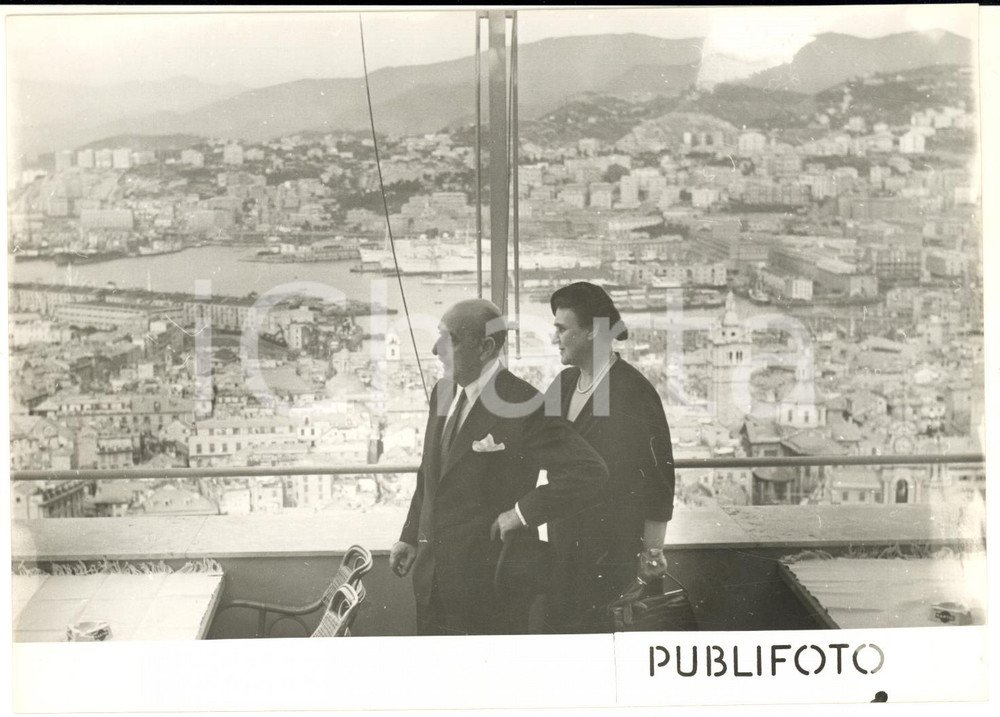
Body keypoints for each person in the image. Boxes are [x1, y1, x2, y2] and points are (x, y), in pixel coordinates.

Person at [389, 298, 608, 636]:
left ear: (485, 347)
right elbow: (431, 474)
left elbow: (588, 471)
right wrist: (409, 537)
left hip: (489, 591)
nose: (435, 349)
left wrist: (522, 513)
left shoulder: (526, 404)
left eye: (449, 339)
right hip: (431, 583)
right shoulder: (443, 392)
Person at [543, 282, 677, 633]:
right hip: (564, 551)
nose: (554, 338)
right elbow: (535, 448)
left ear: (592, 333)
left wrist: (651, 555)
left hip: (613, 557)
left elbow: (660, 482)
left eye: (562, 329)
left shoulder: (633, 393)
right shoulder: (563, 385)